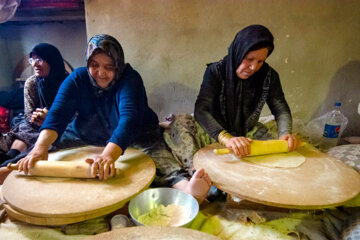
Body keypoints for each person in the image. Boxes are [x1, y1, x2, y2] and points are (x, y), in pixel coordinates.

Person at [15, 34, 211, 203]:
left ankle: (187, 190)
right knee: (41, 150)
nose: (101, 73)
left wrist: (108, 156)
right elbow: (57, 114)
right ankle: (12, 170)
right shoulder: (77, 78)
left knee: (159, 162)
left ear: (118, 65)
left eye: (109, 67)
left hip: (137, 135)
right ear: (87, 63)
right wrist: (40, 149)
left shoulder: (130, 79)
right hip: (89, 132)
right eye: (94, 65)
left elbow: (129, 120)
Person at [194, 24, 298, 156]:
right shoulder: (215, 72)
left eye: (260, 61)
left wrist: (285, 133)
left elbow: (280, 108)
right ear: (238, 52)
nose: (254, 67)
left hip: (246, 132)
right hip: (214, 131)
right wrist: (227, 139)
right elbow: (201, 110)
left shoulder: (269, 76)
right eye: (249, 59)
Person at [0, 43, 68, 162]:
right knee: (24, 130)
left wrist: (50, 118)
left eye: (40, 59)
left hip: (63, 125)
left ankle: (18, 159)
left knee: (53, 137)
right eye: (32, 59)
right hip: (35, 125)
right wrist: (37, 118)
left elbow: (74, 112)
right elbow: (28, 114)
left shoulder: (68, 82)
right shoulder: (32, 83)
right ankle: (10, 157)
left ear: (51, 61)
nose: (34, 64)